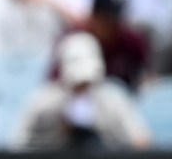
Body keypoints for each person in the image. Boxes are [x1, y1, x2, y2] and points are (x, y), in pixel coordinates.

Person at [12, 31, 151, 151]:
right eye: (77, 84)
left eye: (87, 84)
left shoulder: (114, 100)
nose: (82, 90)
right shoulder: (42, 103)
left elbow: (142, 142)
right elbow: (16, 146)